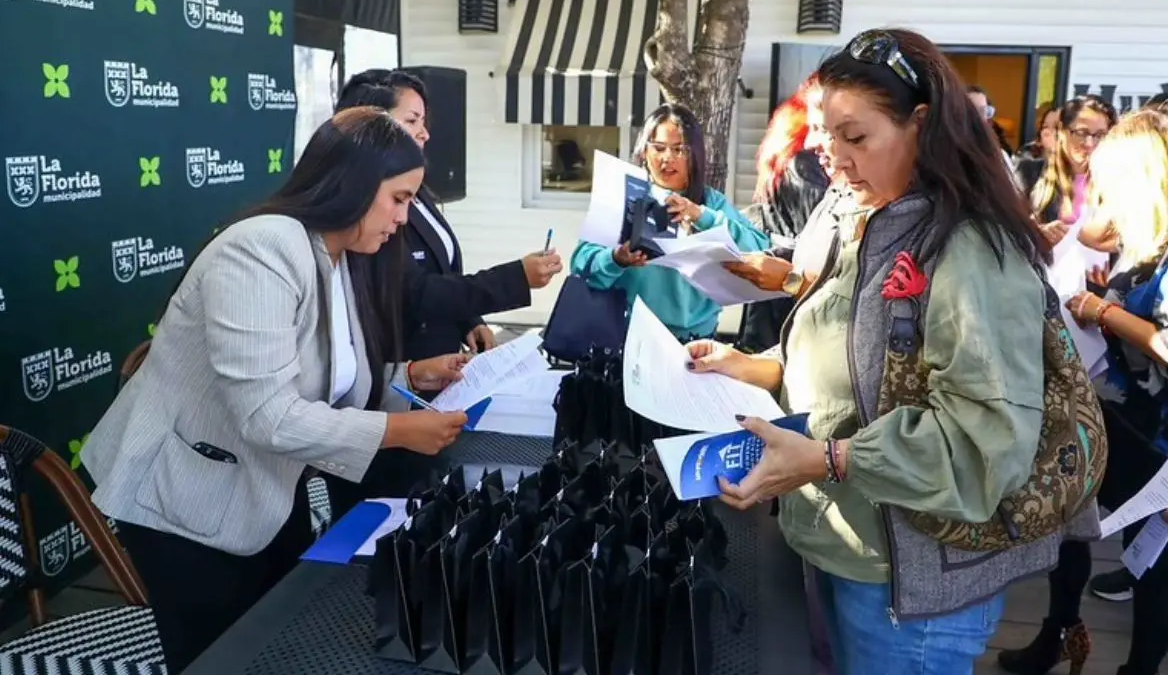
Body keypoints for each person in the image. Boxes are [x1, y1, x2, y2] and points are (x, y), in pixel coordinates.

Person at [702, 28, 1079, 673]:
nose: (834, 158)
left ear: (921, 126)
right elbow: (853, 367)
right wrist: (755, 369)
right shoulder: (851, 212)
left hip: (916, 580)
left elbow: (986, 437)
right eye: (825, 133)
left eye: (856, 137)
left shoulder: (970, 251)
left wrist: (829, 457)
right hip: (840, 541)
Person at [81, 108, 473, 673]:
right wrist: (396, 431)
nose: (404, 218)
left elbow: (320, 375)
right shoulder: (261, 251)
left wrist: (407, 378)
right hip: (186, 498)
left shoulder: (337, 254)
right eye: (398, 199)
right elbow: (268, 415)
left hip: (267, 490)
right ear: (354, 184)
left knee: (281, 643)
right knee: (221, 657)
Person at [1000, 106, 1168, 675]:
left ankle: (1137, 669)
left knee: (1149, 562)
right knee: (1070, 527)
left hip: (1167, 437)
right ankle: (1058, 632)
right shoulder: (1146, 236)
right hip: (1115, 413)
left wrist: (1101, 311)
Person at [336, 70, 563, 362]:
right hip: (400, 366)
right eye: (411, 121)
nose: (424, 133)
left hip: (441, 364)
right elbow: (413, 293)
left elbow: (443, 273)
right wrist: (515, 278)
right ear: (371, 126)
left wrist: (469, 320)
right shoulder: (364, 208)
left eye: (424, 121)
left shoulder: (420, 190)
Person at [567, 103, 770, 341]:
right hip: (629, 335)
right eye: (659, 148)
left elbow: (760, 251)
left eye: (679, 149)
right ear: (644, 151)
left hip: (696, 339)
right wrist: (615, 260)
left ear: (695, 155)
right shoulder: (625, 194)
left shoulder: (710, 203)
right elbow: (580, 265)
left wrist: (701, 216)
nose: (667, 159)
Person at [739, 76, 832, 352]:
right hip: (790, 305)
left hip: (770, 302)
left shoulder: (786, 161)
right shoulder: (805, 165)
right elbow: (818, 247)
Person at [1029, 94, 1118, 245]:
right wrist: (1039, 233)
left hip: (1098, 268)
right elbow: (1009, 230)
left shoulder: (1117, 181)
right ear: (1062, 131)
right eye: (1081, 133)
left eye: (1100, 135)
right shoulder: (1031, 174)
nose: (1089, 143)